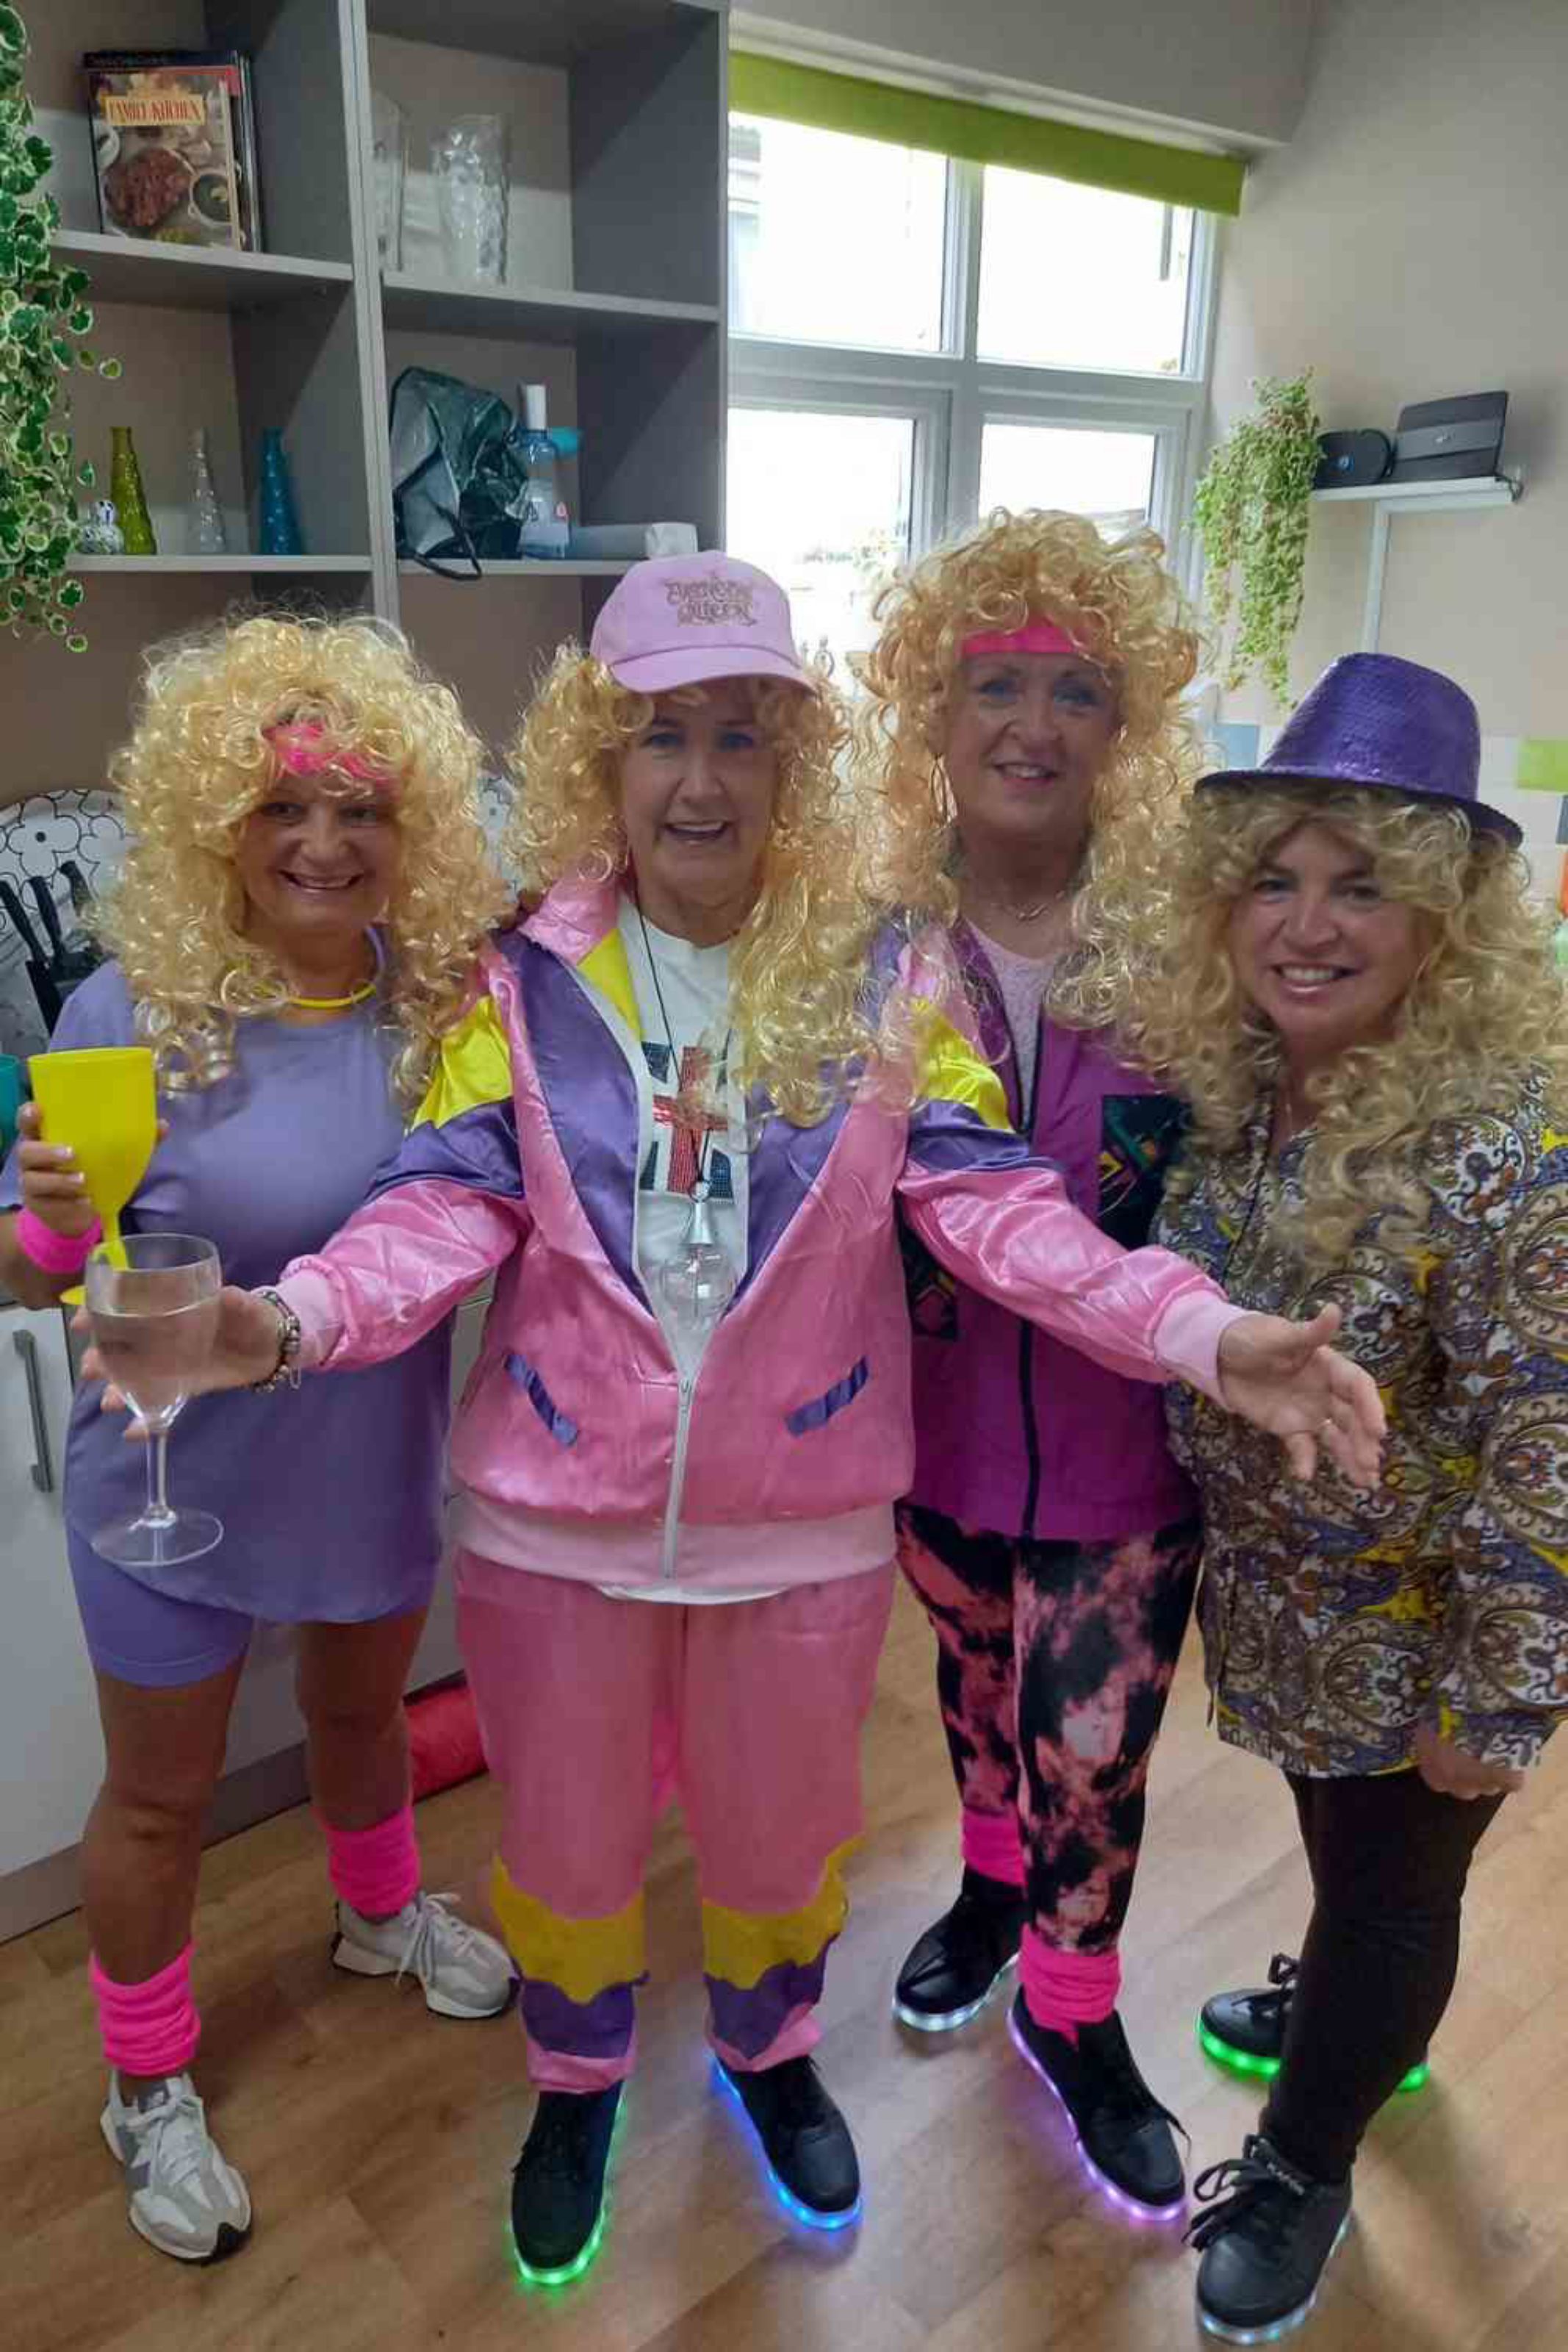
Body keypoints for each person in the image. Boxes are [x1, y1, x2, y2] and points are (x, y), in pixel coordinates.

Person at [92, 556, 1384, 2287]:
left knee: (779, 1845)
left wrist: (1201, 1334)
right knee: (563, 1850)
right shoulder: (518, 978)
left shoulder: (886, 975)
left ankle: (769, 2057)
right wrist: (294, 1321)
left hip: (801, 1525)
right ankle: (575, 2083)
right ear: (598, 763)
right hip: (555, 1526)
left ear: (792, 761)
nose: (697, 780)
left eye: (737, 735)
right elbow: (439, 1204)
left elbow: (1002, 1208)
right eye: (658, 736)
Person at [0, 614, 514, 2265]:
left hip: (366, 1456)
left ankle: (378, 1913)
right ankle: (145, 2081)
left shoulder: (447, 1010)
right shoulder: (133, 1008)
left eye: (360, 806)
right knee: (160, 1803)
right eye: (283, 804)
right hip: (168, 1478)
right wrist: (49, 1224)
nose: (321, 841)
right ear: (218, 818)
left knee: (361, 1718)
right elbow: (31, 1266)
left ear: (410, 828)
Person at [1118, 652, 1568, 2342]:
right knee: (1349, 1871)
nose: (1303, 925)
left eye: (1358, 886)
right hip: (1288, 1607)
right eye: (1274, 881)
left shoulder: (1504, 1142)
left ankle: (1305, 2160)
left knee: (1392, 1890)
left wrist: (1496, 1702)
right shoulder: (1246, 1086)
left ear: (1439, 918)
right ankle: (1353, 2009)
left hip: (1430, 1632)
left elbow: (1551, 1444)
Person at [854, 509, 1210, 2217]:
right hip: (926, 1434)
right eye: (994, 684)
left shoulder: (1184, 942)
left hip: (1125, 1445)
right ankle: (989, 1889)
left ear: (1120, 727)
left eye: (1074, 691)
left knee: (1093, 1740)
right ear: (932, 711)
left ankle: (1072, 2010)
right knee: (972, 1681)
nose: (1029, 725)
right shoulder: (859, 941)